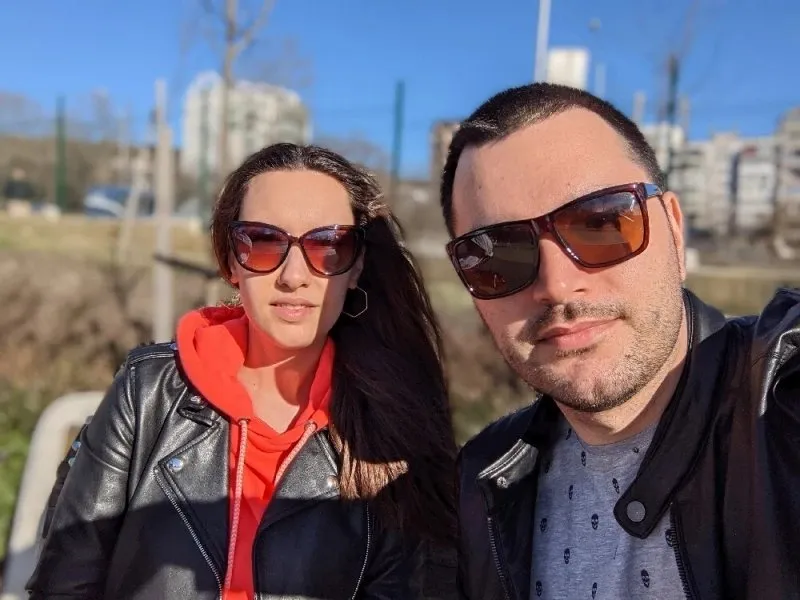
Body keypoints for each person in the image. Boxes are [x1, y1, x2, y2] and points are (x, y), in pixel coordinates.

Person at [27, 143, 457, 599]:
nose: (294, 275)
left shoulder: (396, 425)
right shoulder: (147, 391)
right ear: (231, 260)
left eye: (328, 245)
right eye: (264, 242)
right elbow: (65, 584)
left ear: (357, 267)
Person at [441, 83, 800, 600]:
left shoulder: (780, 403)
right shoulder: (481, 482)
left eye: (601, 222)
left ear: (674, 231)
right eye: (496, 255)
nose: (556, 285)